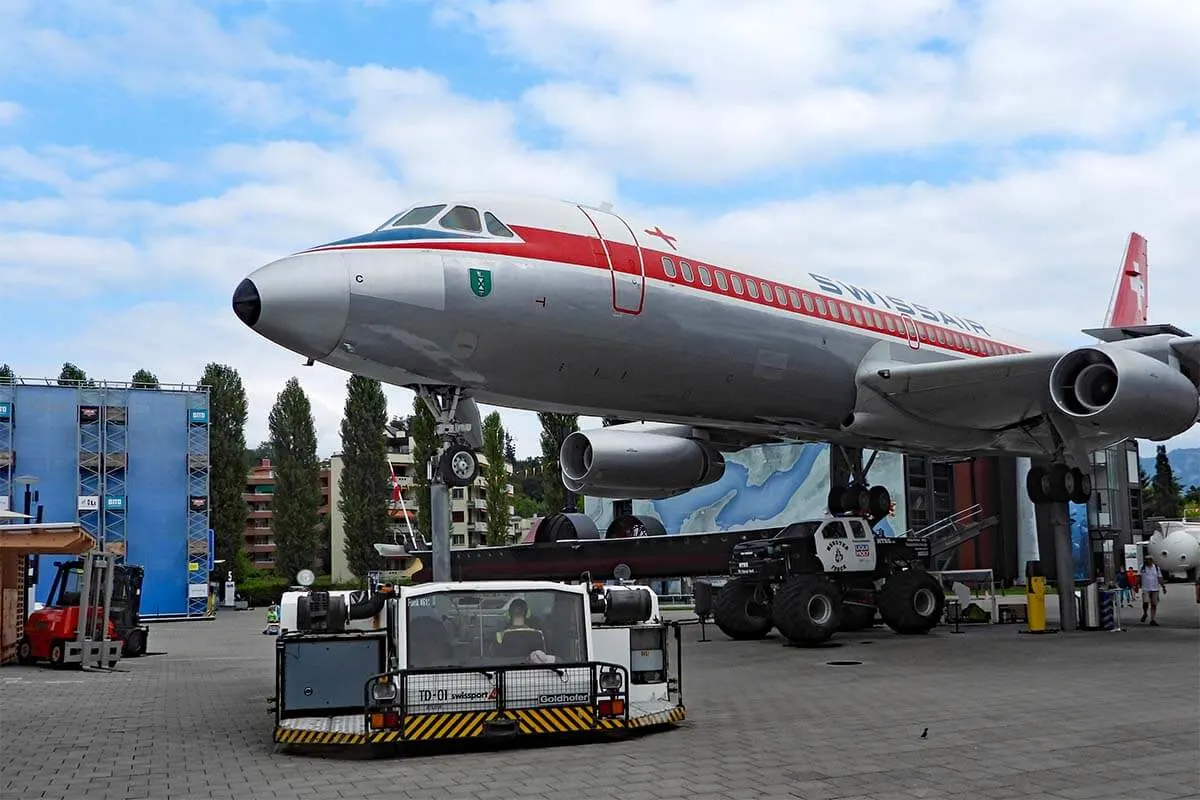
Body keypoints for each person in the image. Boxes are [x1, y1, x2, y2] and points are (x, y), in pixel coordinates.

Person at [1139, 555, 1166, 625]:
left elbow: (1160, 577)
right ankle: (1145, 613)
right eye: (1147, 559)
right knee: (1145, 602)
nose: (1148, 561)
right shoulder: (1142, 568)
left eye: (1150, 559)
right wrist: (1135, 586)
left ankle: (1152, 619)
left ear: (1152, 560)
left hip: (1155, 588)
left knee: (1154, 604)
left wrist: (1163, 587)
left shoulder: (1156, 568)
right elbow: (1139, 576)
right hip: (1145, 588)